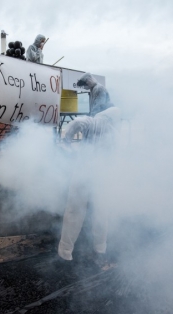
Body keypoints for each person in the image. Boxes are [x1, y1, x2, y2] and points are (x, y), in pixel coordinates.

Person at [57, 80, 120, 266]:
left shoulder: (94, 121)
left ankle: (65, 253)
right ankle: (100, 250)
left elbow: (77, 122)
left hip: (84, 171)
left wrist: (67, 141)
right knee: (101, 212)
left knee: (74, 211)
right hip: (102, 174)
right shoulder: (115, 131)